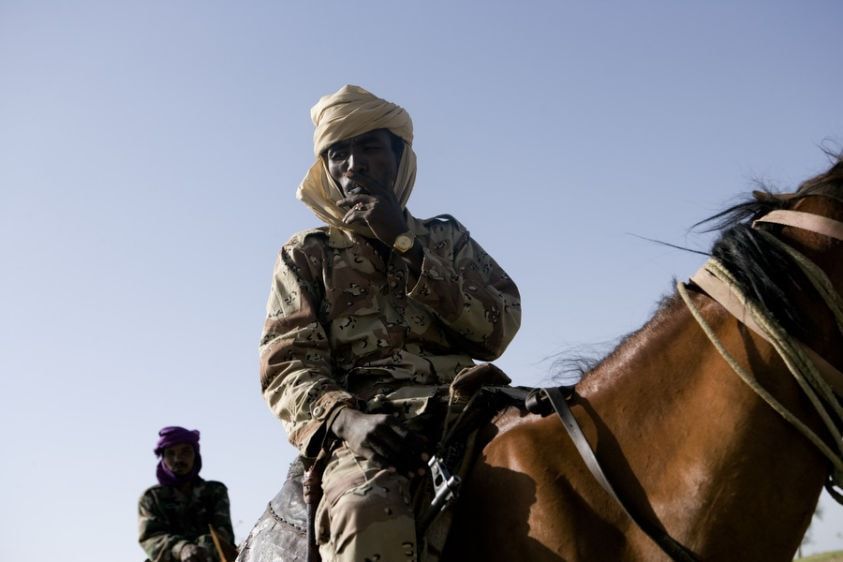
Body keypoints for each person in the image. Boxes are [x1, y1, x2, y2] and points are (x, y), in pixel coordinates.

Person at [259, 85, 521, 562]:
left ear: (398, 158)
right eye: (338, 153)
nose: (354, 165)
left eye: (369, 148)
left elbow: (496, 330)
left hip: (475, 404)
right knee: (366, 509)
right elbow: (287, 366)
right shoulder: (307, 254)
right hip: (375, 426)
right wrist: (347, 419)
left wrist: (406, 244)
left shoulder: (448, 239)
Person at [138, 426, 236, 562]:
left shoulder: (215, 491)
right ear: (163, 458)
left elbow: (223, 533)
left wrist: (201, 550)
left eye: (185, 452)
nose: (178, 459)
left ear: (195, 455)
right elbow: (151, 539)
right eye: (170, 453)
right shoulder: (151, 498)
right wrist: (182, 549)